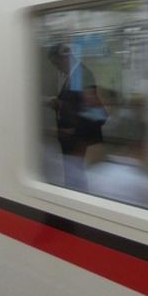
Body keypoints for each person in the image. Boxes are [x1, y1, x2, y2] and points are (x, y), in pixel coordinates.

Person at [47, 44, 106, 190]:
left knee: (76, 180)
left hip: (78, 140)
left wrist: (76, 134)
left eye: (56, 63)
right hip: (73, 139)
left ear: (64, 57)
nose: (57, 67)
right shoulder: (73, 75)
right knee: (73, 177)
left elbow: (94, 111)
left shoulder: (80, 74)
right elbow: (75, 103)